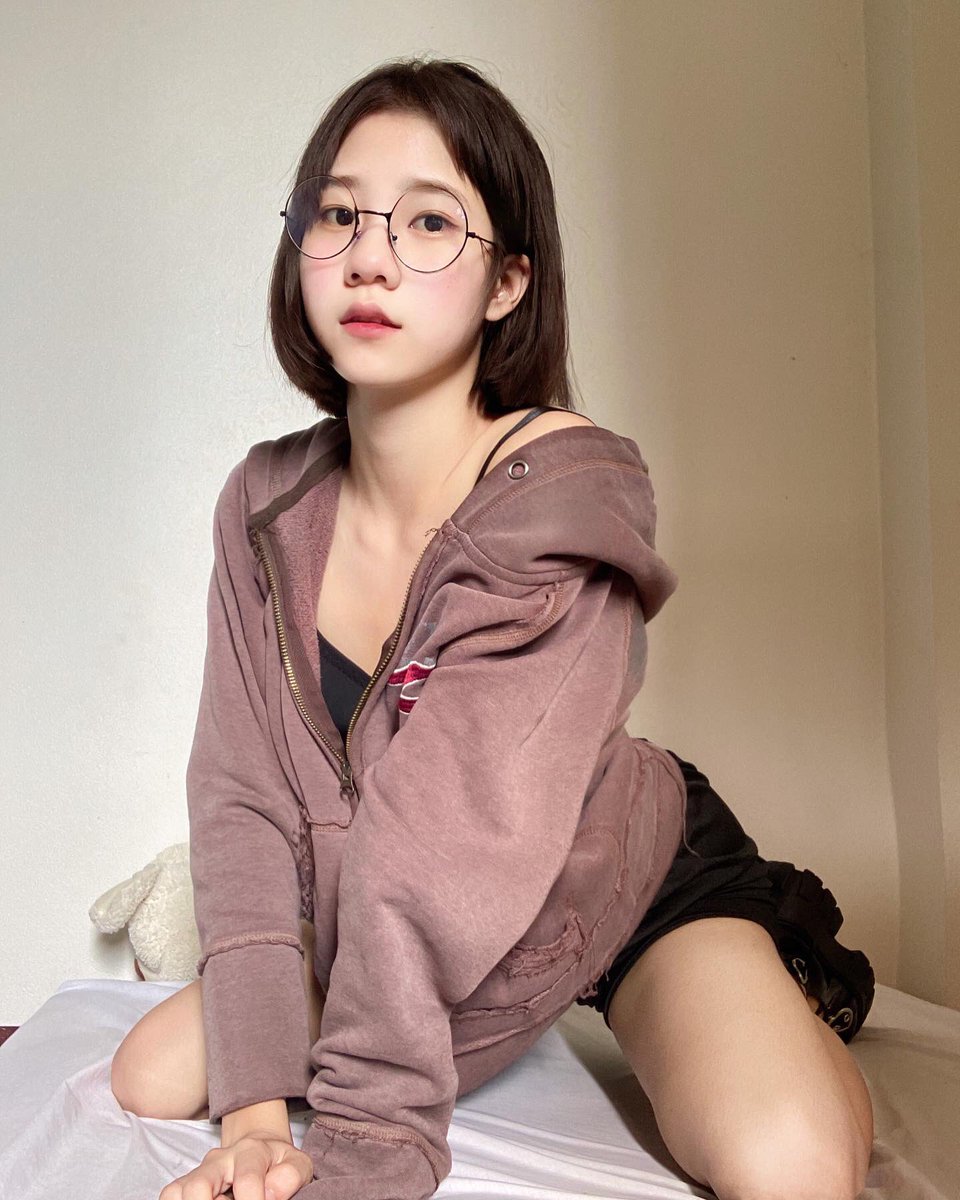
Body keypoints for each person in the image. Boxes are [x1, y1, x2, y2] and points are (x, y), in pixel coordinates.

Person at [110, 57, 876, 1200]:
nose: (370, 257)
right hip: (406, 907)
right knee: (149, 1075)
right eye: (338, 214)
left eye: (429, 222)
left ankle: (788, 984)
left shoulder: (558, 501)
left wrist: (363, 1156)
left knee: (789, 1165)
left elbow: (440, 842)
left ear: (509, 280)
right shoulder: (263, 506)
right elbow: (242, 796)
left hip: (602, 876)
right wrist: (258, 1124)